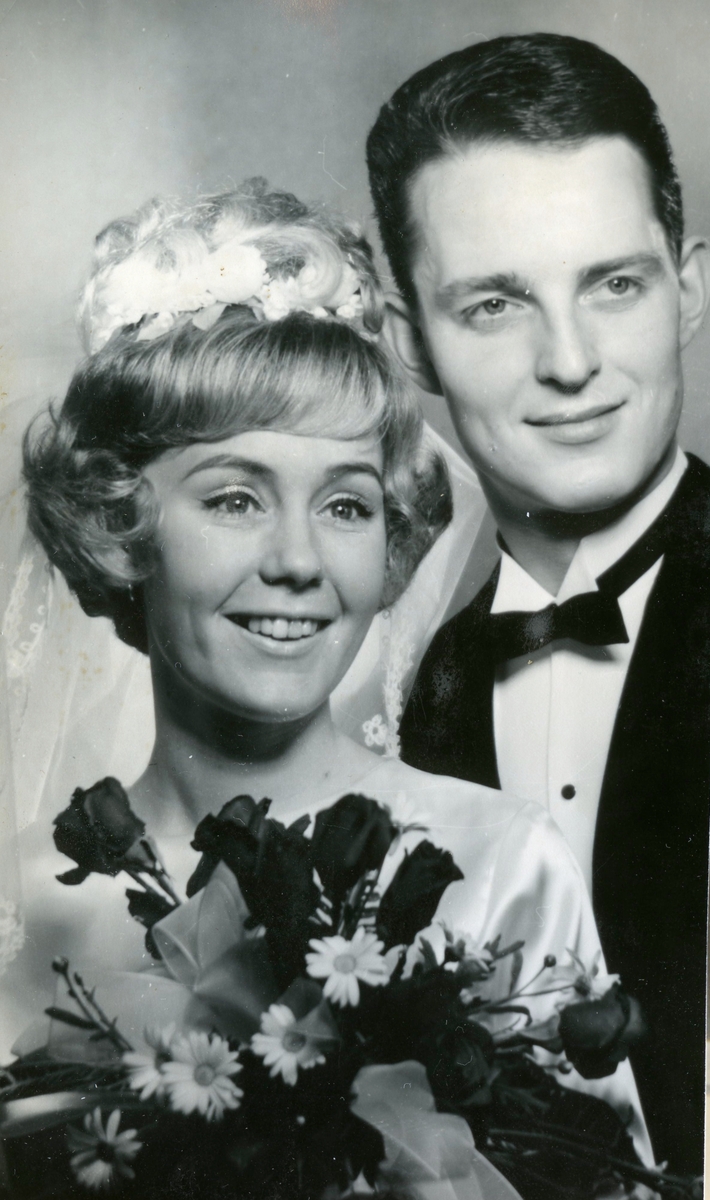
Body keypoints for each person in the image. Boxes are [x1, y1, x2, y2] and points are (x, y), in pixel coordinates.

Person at [4, 181, 650, 1167]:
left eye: (346, 506)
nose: (299, 562)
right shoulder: (17, 904)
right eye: (235, 499)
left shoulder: (502, 864)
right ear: (121, 526)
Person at [366, 32, 710, 1175]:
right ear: (411, 344)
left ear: (689, 290)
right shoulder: (404, 687)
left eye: (614, 285)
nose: (569, 361)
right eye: (493, 305)